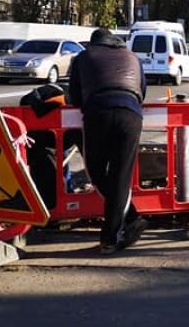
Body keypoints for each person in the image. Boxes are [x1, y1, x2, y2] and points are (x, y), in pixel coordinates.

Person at [69, 27, 148, 255]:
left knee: (95, 170)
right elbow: (142, 90)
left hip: (98, 114)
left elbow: (74, 96)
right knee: (120, 176)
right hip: (130, 115)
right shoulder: (132, 56)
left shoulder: (84, 57)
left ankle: (112, 237)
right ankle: (126, 223)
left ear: (93, 43)